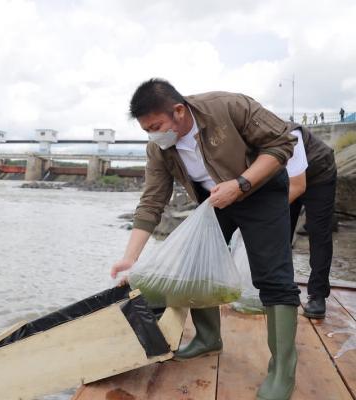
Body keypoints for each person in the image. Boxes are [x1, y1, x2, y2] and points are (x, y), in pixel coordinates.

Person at [111, 79, 299, 400]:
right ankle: (208, 339)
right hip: (213, 198)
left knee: (273, 276)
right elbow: (153, 201)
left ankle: (282, 370)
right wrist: (131, 258)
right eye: (147, 130)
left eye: (156, 126)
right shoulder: (159, 147)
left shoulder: (228, 106)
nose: (154, 135)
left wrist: (240, 183)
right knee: (195, 266)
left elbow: (281, 144)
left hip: (259, 189)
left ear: (179, 111)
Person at [286, 125, 337, 319]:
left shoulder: (288, 134)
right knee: (279, 231)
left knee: (319, 233)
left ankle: (317, 295)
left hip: (319, 174)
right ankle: (281, 287)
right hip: (286, 178)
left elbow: (298, 187)